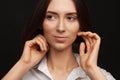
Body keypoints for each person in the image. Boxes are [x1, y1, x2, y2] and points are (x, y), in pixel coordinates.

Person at [2, 0, 116, 80]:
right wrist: (23, 64)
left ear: (80, 25)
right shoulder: (22, 74)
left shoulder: (99, 75)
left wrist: (92, 70)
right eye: (51, 17)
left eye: (70, 18)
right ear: (41, 22)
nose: (60, 28)